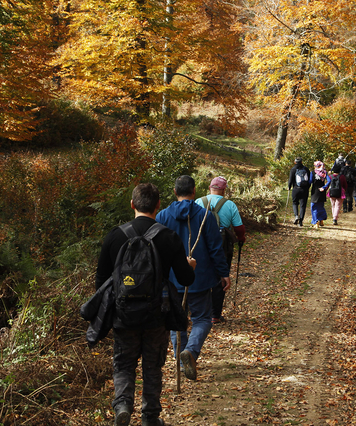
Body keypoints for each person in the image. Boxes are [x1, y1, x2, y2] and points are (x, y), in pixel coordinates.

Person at [95, 183, 196, 426]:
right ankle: (150, 417)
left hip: (123, 316)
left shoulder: (115, 236)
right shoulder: (168, 236)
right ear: (158, 206)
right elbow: (185, 279)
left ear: (132, 205)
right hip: (155, 316)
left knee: (124, 363)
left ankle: (123, 405)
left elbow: (101, 281)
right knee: (153, 367)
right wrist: (189, 265)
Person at [156, 175, 230, 382]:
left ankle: (182, 362)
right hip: (199, 278)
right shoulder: (204, 216)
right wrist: (223, 273)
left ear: (174, 191)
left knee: (176, 323)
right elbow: (216, 248)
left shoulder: (162, 216)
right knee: (203, 319)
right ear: (194, 191)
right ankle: (191, 352)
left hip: (171, 280)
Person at [196, 176, 246, 324]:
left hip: (201, 245)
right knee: (221, 277)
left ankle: (200, 313)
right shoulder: (230, 205)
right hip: (223, 245)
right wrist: (241, 239)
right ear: (224, 190)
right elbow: (239, 227)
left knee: (201, 274)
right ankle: (215, 315)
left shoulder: (199, 202)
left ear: (210, 187)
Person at [287, 157, 310, 226]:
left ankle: (296, 216)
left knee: (295, 203)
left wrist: (289, 187)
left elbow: (290, 180)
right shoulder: (306, 169)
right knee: (303, 205)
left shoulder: (293, 169)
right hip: (304, 190)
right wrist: (307, 188)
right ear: (301, 162)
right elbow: (309, 180)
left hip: (296, 189)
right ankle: (301, 221)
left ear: (295, 162)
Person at [309, 161, 331, 228]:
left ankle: (316, 222)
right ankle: (321, 220)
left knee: (313, 206)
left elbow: (310, 181)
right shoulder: (324, 173)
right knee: (320, 206)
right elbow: (329, 181)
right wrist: (324, 187)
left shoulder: (313, 172)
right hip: (322, 191)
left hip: (315, 191)